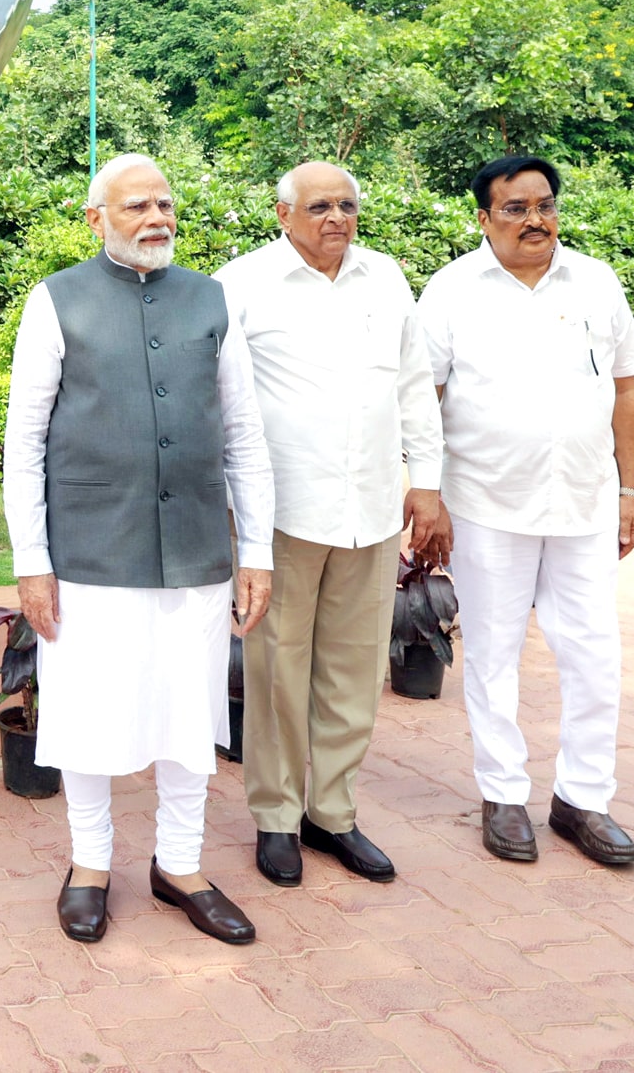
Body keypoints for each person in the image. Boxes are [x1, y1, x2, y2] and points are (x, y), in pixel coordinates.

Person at [2, 152, 276, 945]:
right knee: (87, 709)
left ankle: (180, 864)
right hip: (89, 550)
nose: (155, 218)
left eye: (163, 203)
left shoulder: (210, 300)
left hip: (193, 547)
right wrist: (32, 560)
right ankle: (90, 865)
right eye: (134, 207)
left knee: (191, 711)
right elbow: (24, 440)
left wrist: (254, 547)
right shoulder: (56, 302)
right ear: (97, 220)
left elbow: (243, 435)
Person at [215, 162, 443, 889]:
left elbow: (413, 384)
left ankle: (332, 814)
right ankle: (277, 817)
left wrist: (427, 483)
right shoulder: (242, 284)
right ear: (283, 214)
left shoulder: (387, 278)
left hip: (372, 509)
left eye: (346, 204)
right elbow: (219, 398)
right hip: (282, 511)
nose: (335, 218)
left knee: (353, 673)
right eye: (319, 206)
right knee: (278, 670)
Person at [416, 154, 634, 867]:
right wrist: (426, 493)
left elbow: (627, 388)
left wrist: (632, 490)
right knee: (492, 655)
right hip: (487, 504)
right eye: (515, 208)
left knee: (594, 655)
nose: (534, 219)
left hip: (584, 502)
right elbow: (423, 399)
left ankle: (584, 800)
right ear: (483, 217)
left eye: (544, 204)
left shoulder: (596, 282)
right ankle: (504, 794)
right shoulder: (452, 291)